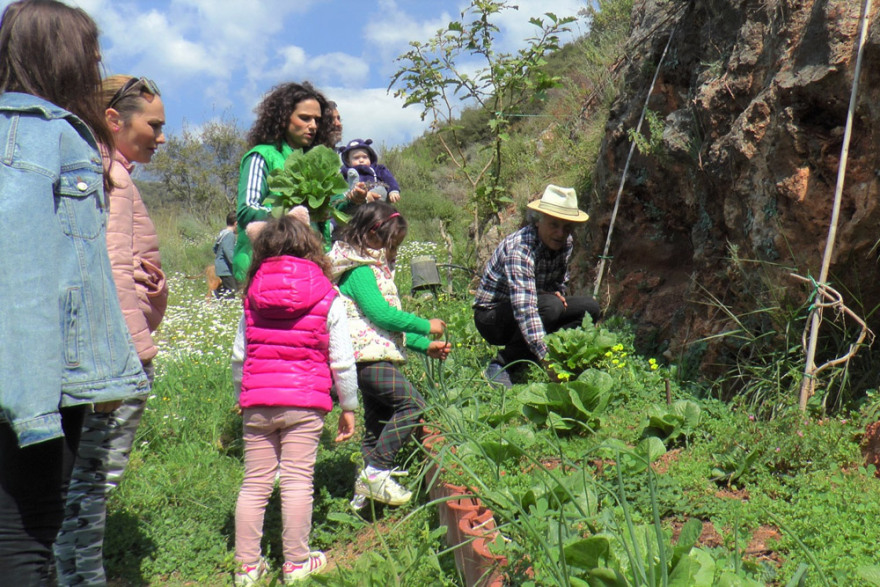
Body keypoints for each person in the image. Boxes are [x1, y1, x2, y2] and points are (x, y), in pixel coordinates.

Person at [0, 1, 147, 582]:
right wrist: (41, 402)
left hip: (30, 367)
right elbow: (36, 270)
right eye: (90, 51)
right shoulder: (42, 137)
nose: (96, 63)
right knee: (28, 531)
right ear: (58, 55)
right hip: (35, 372)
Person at [53, 74, 169, 585]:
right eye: (155, 125)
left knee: (83, 478)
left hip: (99, 349)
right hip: (113, 355)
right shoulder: (112, 179)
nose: (162, 137)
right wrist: (134, 353)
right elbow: (113, 270)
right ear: (114, 121)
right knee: (94, 480)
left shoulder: (107, 171)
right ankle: (80, 576)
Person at [231, 215, 358, 585]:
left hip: (257, 401)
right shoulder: (326, 294)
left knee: (255, 483)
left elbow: (241, 355)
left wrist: (243, 394)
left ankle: (246, 568)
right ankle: (298, 563)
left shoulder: (252, 293)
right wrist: (348, 406)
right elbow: (342, 359)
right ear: (311, 248)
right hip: (305, 402)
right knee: (298, 481)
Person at [328, 202, 451, 509]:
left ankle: (364, 497)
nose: (393, 252)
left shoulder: (367, 269)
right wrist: (425, 324)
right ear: (371, 236)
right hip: (368, 360)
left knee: (377, 422)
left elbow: (383, 328)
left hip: (369, 356)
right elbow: (382, 315)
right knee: (412, 404)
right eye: (390, 244)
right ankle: (377, 472)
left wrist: (424, 344)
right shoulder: (359, 272)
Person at [232, 82, 368, 281]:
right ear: (283, 118)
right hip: (267, 267)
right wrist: (296, 214)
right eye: (304, 118)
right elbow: (246, 212)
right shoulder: (261, 156)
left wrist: (353, 200)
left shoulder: (319, 159)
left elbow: (334, 206)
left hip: (310, 264)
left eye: (317, 120)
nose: (313, 125)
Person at [473, 185, 602, 388]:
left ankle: (532, 352)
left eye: (567, 227)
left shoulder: (565, 243)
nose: (560, 233)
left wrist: (556, 293)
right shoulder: (521, 249)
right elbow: (525, 309)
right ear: (539, 220)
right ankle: (503, 363)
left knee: (589, 308)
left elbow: (558, 283)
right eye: (554, 225)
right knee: (551, 307)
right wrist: (548, 360)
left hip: (535, 302)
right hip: (492, 317)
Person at [339, 138, 401, 203]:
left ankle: (367, 198)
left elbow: (389, 179)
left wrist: (393, 190)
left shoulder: (377, 169)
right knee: (346, 193)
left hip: (376, 196)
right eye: (356, 158)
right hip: (355, 199)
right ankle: (360, 197)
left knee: (382, 188)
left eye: (365, 157)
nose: (361, 160)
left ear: (370, 158)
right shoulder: (345, 172)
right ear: (348, 161)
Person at [214, 210, 238, 298]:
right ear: (236, 223)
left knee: (226, 290)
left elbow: (215, 248)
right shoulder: (230, 235)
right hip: (226, 269)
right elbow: (229, 253)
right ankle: (217, 296)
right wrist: (237, 265)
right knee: (231, 292)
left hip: (221, 267)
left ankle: (217, 295)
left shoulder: (222, 233)